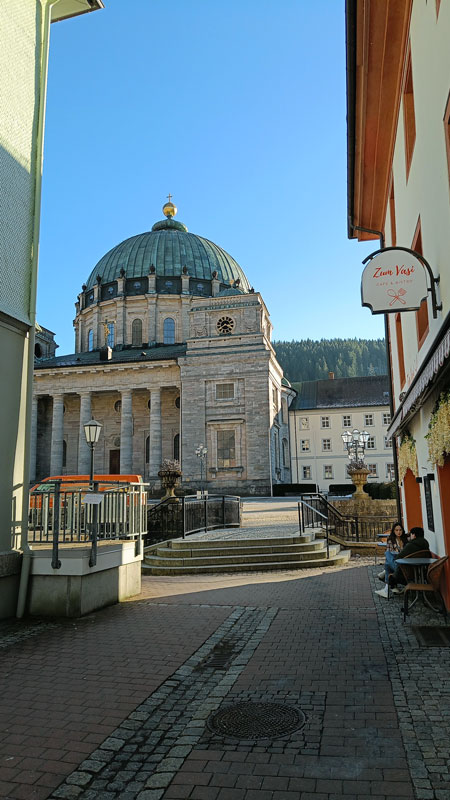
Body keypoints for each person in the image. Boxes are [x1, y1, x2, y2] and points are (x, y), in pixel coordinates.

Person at [375, 526, 430, 599]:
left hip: (406, 573)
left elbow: (398, 558)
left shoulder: (411, 545)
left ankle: (387, 588)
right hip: (420, 571)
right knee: (389, 559)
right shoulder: (425, 544)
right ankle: (389, 585)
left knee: (388, 557)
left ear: (413, 535)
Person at [377, 521, 408, 586]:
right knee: (388, 554)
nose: (398, 532)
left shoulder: (406, 539)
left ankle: (388, 586)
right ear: (394, 531)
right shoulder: (391, 540)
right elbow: (390, 553)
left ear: (402, 530)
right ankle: (392, 585)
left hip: (403, 561)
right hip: (395, 560)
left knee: (387, 564)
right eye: (396, 530)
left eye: (400, 530)